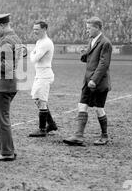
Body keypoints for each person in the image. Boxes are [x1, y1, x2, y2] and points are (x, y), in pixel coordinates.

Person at [63, 17, 112, 146]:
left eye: (89, 28)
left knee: (98, 109)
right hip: (87, 80)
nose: (87, 30)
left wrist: (94, 80)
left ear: (97, 28)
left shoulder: (105, 43)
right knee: (82, 105)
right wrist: (84, 54)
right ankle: (78, 135)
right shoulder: (91, 40)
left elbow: (103, 64)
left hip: (98, 82)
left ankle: (104, 136)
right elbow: (89, 60)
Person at [0, 13, 23, 161]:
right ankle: (9, 150)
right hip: (10, 84)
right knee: (4, 118)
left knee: (1, 119)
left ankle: (7, 152)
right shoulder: (15, 38)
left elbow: (7, 66)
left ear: (2, 25)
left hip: (3, 84)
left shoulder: (6, 41)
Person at [28, 21, 59, 137]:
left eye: (37, 29)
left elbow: (34, 58)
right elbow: (34, 56)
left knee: (41, 101)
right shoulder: (39, 41)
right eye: (34, 29)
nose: (35, 31)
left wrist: (32, 53)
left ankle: (42, 129)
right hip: (39, 74)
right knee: (37, 99)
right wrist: (33, 53)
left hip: (45, 75)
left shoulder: (46, 43)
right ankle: (51, 124)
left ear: (44, 29)